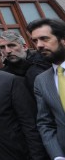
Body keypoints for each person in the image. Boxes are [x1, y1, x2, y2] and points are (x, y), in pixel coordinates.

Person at [29, 18, 65, 159]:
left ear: (63, 39)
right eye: (35, 41)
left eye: (44, 39)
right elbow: (45, 123)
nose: (39, 45)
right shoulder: (41, 80)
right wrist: (57, 156)